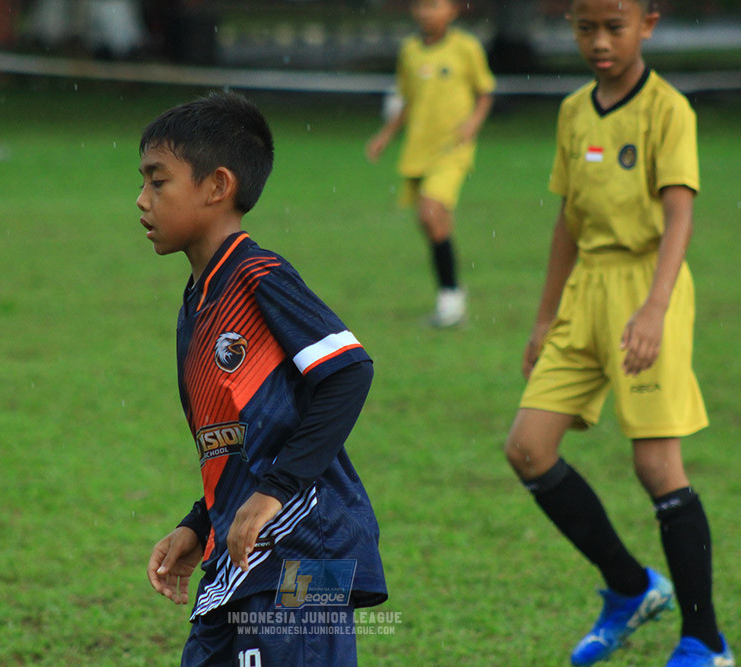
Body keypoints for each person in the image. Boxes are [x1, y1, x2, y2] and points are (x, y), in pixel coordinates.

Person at [503, 2, 734, 666]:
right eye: (585, 28)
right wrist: (545, 317)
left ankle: (707, 641)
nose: (599, 42)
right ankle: (631, 588)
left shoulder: (668, 109)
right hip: (585, 293)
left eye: (615, 26)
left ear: (648, 24)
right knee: (528, 448)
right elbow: (568, 220)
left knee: (656, 464)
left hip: (647, 287)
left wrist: (656, 307)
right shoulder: (574, 110)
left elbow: (680, 215)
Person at [141, 91, 387, 666]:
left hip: (306, 554)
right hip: (238, 556)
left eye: (158, 182)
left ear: (217, 186)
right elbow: (245, 439)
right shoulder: (198, 300)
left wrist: (275, 491)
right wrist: (198, 522)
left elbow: (349, 372)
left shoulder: (258, 276)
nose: (142, 200)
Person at [366, 0, 495, 328]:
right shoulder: (410, 51)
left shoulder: (466, 48)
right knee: (432, 223)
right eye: (421, 6)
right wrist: (385, 135)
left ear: (453, 11)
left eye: (434, 6)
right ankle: (452, 298)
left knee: (430, 212)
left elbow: (485, 93)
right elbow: (408, 100)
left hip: (452, 149)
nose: (426, 12)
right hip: (418, 149)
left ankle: (450, 299)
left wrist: (472, 124)